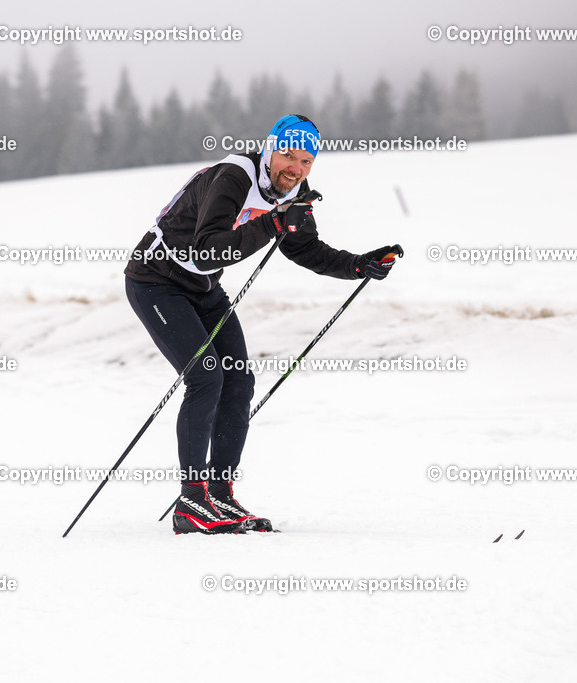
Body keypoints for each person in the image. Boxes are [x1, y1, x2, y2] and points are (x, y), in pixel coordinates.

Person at [124, 114, 401, 534]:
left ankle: (219, 494)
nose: (297, 167)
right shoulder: (235, 177)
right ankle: (191, 502)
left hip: (201, 287)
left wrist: (358, 265)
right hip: (155, 280)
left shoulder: (293, 191)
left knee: (238, 380)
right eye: (289, 155)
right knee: (206, 378)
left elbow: (306, 249)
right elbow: (206, 252)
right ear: (271, 150)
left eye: (307, 160)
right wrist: (272, 222)